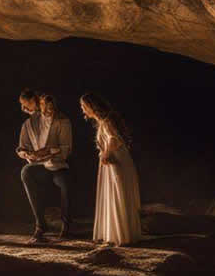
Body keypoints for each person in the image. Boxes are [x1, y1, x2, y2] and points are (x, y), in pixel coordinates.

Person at [80, 93, 141, 246]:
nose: (82, 109)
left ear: (91, 106)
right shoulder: (104, 122)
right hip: (116, 161)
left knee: (117, 195)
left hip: (116, 162)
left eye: (83, 106)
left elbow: (114, 140)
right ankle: (118, 234)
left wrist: (105, 155)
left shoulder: (106, 122)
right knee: (116, 195)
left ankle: (120, 236)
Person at [16, 90, 74, 242]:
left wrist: (48, 152)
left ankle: (66, 224)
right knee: (26, 172)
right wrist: (27, 154)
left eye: (26, 105)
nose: (24, 109)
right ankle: (40, 224)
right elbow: (22, 147)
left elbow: (65, 149)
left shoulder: (62, 121)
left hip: (59, 165)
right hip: (41, 165)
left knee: (65, 183)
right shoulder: (29, 124)